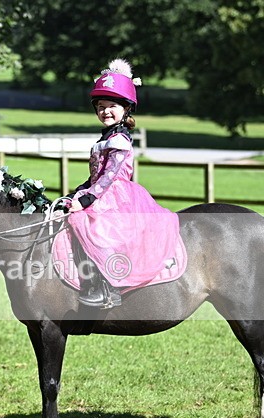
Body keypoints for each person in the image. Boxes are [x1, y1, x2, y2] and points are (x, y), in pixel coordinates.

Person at [67, 58, 177, 309]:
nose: (105, 111)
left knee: (91, 226)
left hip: (116, 196)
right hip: (101, 191)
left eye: (112, 106)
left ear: (126, 108)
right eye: (101, 107)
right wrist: (79, 191)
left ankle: (107, 288)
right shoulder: (106, 137)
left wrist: (87, 199)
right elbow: (97, 177)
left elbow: (109, 175)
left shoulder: (120, 139)